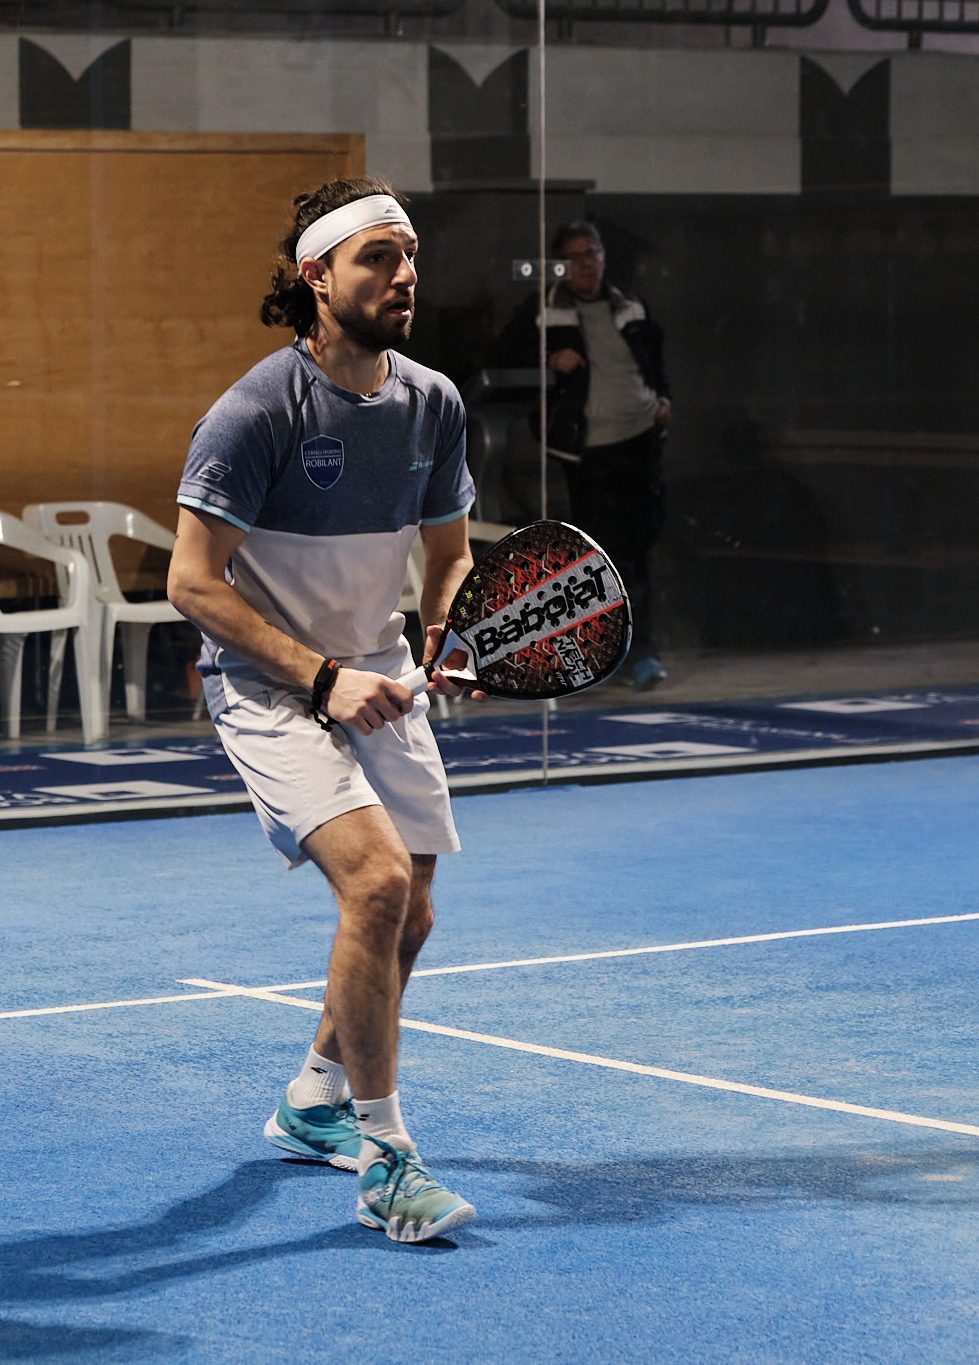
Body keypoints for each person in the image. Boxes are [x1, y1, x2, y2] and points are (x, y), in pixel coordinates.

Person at [167, 176, 480, 1244]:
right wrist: (320, 678)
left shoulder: (433, 403)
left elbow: (448, 555)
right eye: (377, 258)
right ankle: (387, 1160)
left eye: (409, 255)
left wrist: (449, 627)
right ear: (315, 276)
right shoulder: (255, 411)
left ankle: (312, 1099)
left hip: (381, 671)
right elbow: (191, 582)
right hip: (268, 685)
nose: (405, 275)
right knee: (377, 883)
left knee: (411, 914)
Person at [491, 219, 672, 688]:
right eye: (574, 257)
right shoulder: (545, 309)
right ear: (559, 265)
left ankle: (642, 652)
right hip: (589, 451)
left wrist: (662, 401)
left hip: (641, 440)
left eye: (592, 254)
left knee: (638, 551)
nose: (586, 265)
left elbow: (654, 359)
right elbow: (499, 357)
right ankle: (603, 654)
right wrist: (548, 359)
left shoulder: (629, 304)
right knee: (598, 557)